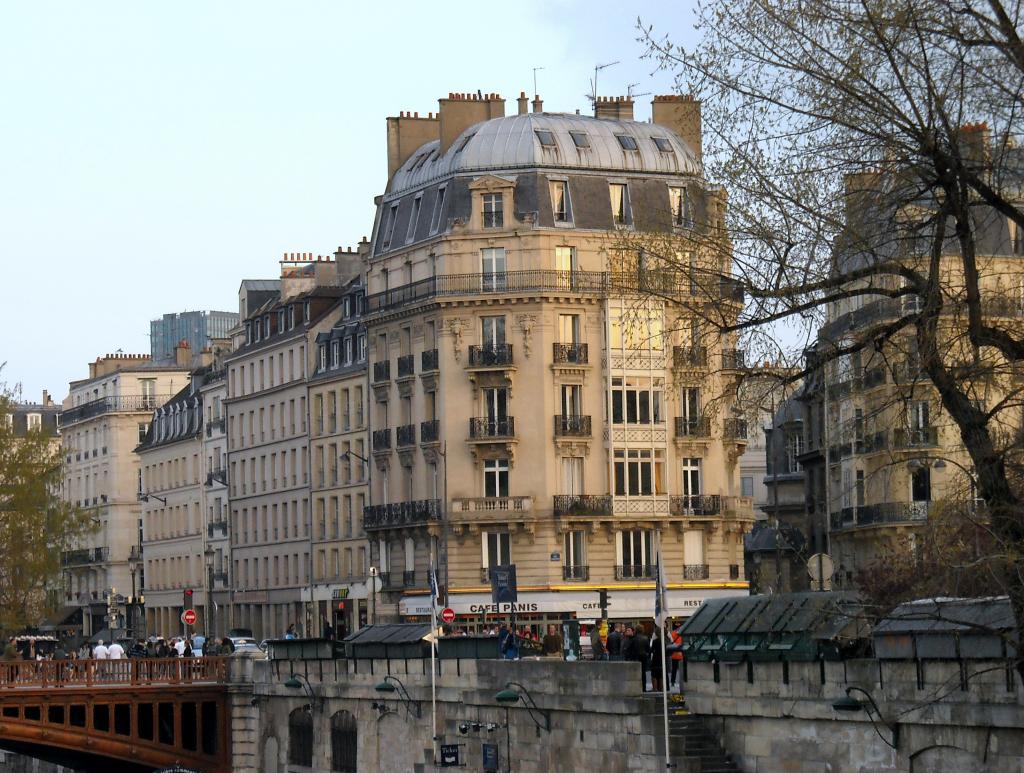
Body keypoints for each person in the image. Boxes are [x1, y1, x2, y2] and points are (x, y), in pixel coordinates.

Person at [648, 627, 664, 692]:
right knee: (661, 675)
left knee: (654, 674)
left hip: (655, 658)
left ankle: (655, 688)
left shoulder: (655, 641)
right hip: (662, 658)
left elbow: (651, 650)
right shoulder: (663, 641)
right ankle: (661, 688)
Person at [670, 622, 684, 688]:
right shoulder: (682, 633)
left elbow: (671, 642)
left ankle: (672, 681)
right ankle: (682, 681)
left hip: (674, 653)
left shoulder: (672, 634)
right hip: (680, 653)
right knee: (681, 669)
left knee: (674, 669)